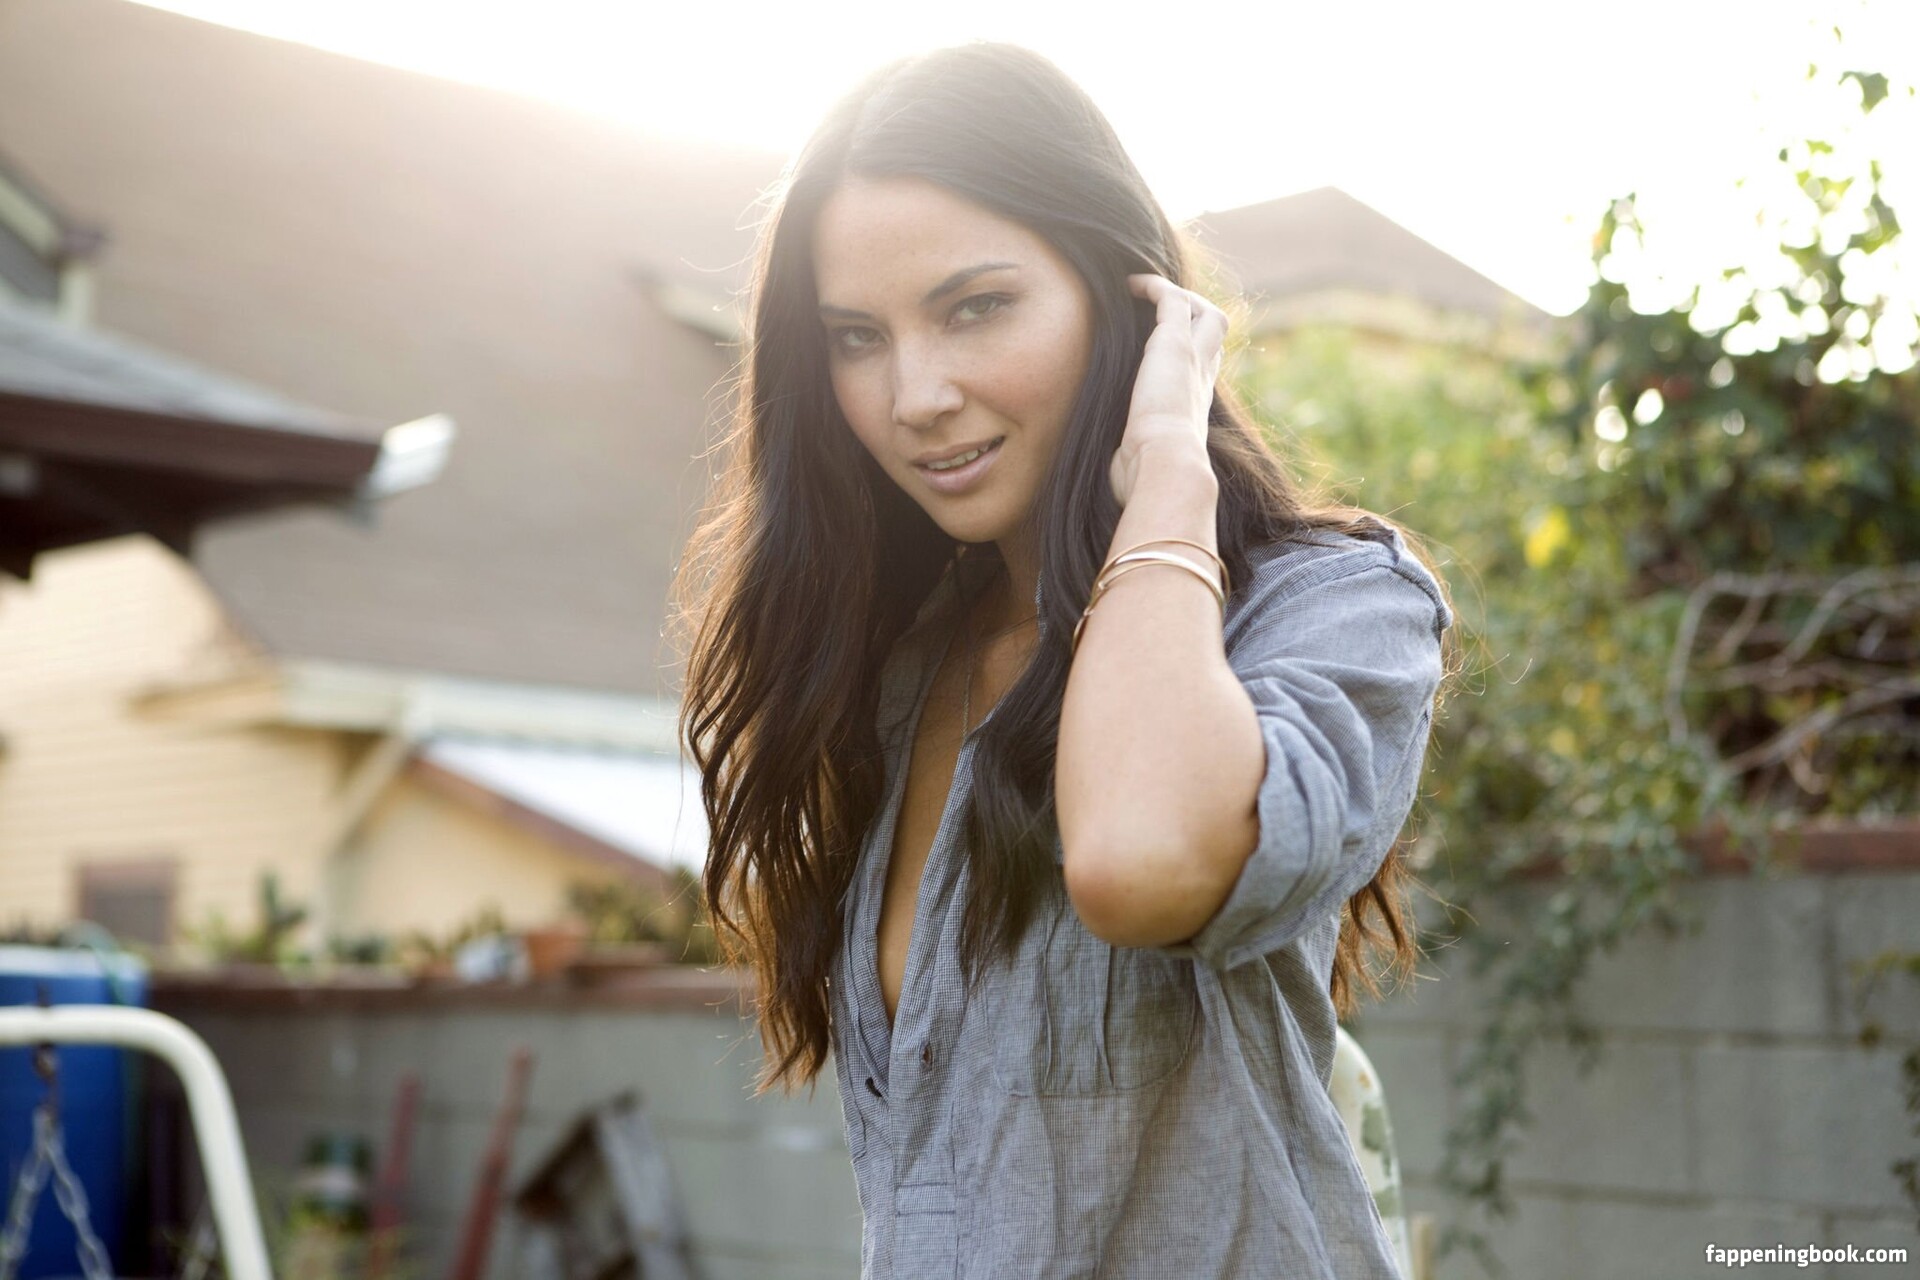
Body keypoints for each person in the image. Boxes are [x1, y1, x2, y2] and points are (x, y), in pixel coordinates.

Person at [672, 40, 1459, 1280]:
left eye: (975, 307)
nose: (914, 394)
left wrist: (1169, 469)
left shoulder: (1333, 606)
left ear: (1121, 294)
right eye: (856, 335)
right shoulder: (900, 672)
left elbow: (1143, 860)